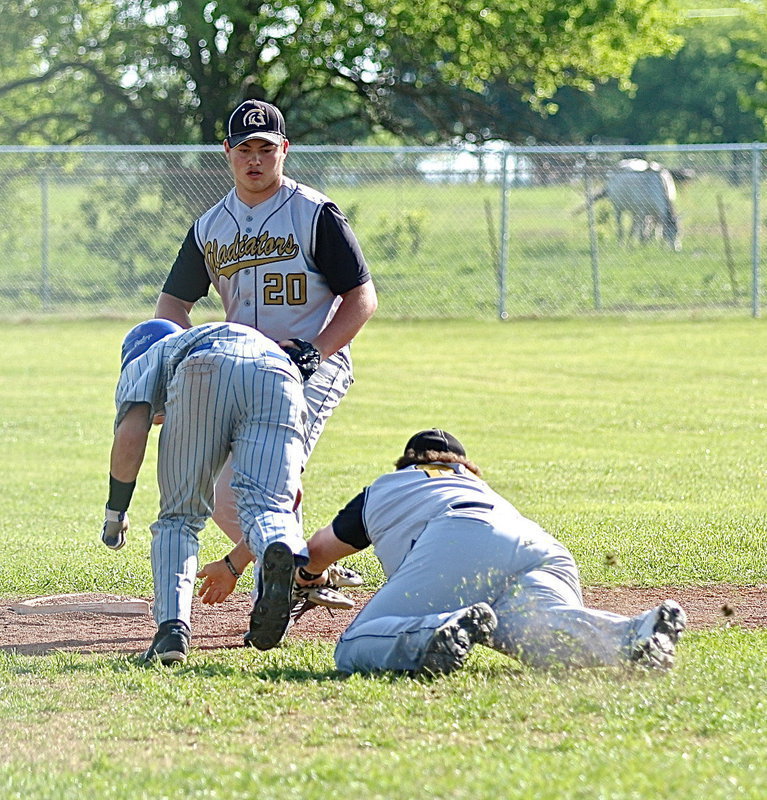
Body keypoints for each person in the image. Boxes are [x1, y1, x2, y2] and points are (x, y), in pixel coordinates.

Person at [203, 428, 688, 676]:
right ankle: (635, 633)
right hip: (540, 547)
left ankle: (435, 631)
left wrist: (300, 580)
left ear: (407, 463)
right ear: (463, 465)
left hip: (457, 539)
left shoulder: (389, 486)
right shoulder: (481, 485)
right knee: (533, 633)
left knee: (352, 648)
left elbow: (315, 552)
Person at [154, 99, 378, 546]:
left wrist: (318, 350)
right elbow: (172, 305)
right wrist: (174, 366)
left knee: (256, 482)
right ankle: (302, 574)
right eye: (244, 149)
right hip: (242, 365)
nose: (254, 159)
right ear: (227, 151)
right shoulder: (210, 226)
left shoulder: (315, 213)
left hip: (311, 361)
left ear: (284, 150)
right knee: (223, 495)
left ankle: (295, 575)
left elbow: (362, 297)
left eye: (265, 148)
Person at [100, 319, 350, 665]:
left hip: (202, 369)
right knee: (270, 509)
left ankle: (172, 631)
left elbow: (130, 436)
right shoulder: (223, 338)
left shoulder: (149, 356)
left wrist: (116, 513)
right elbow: (294, 495)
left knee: (180, 518)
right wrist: (236, 562)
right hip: (280, 368)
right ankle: (277, 548)